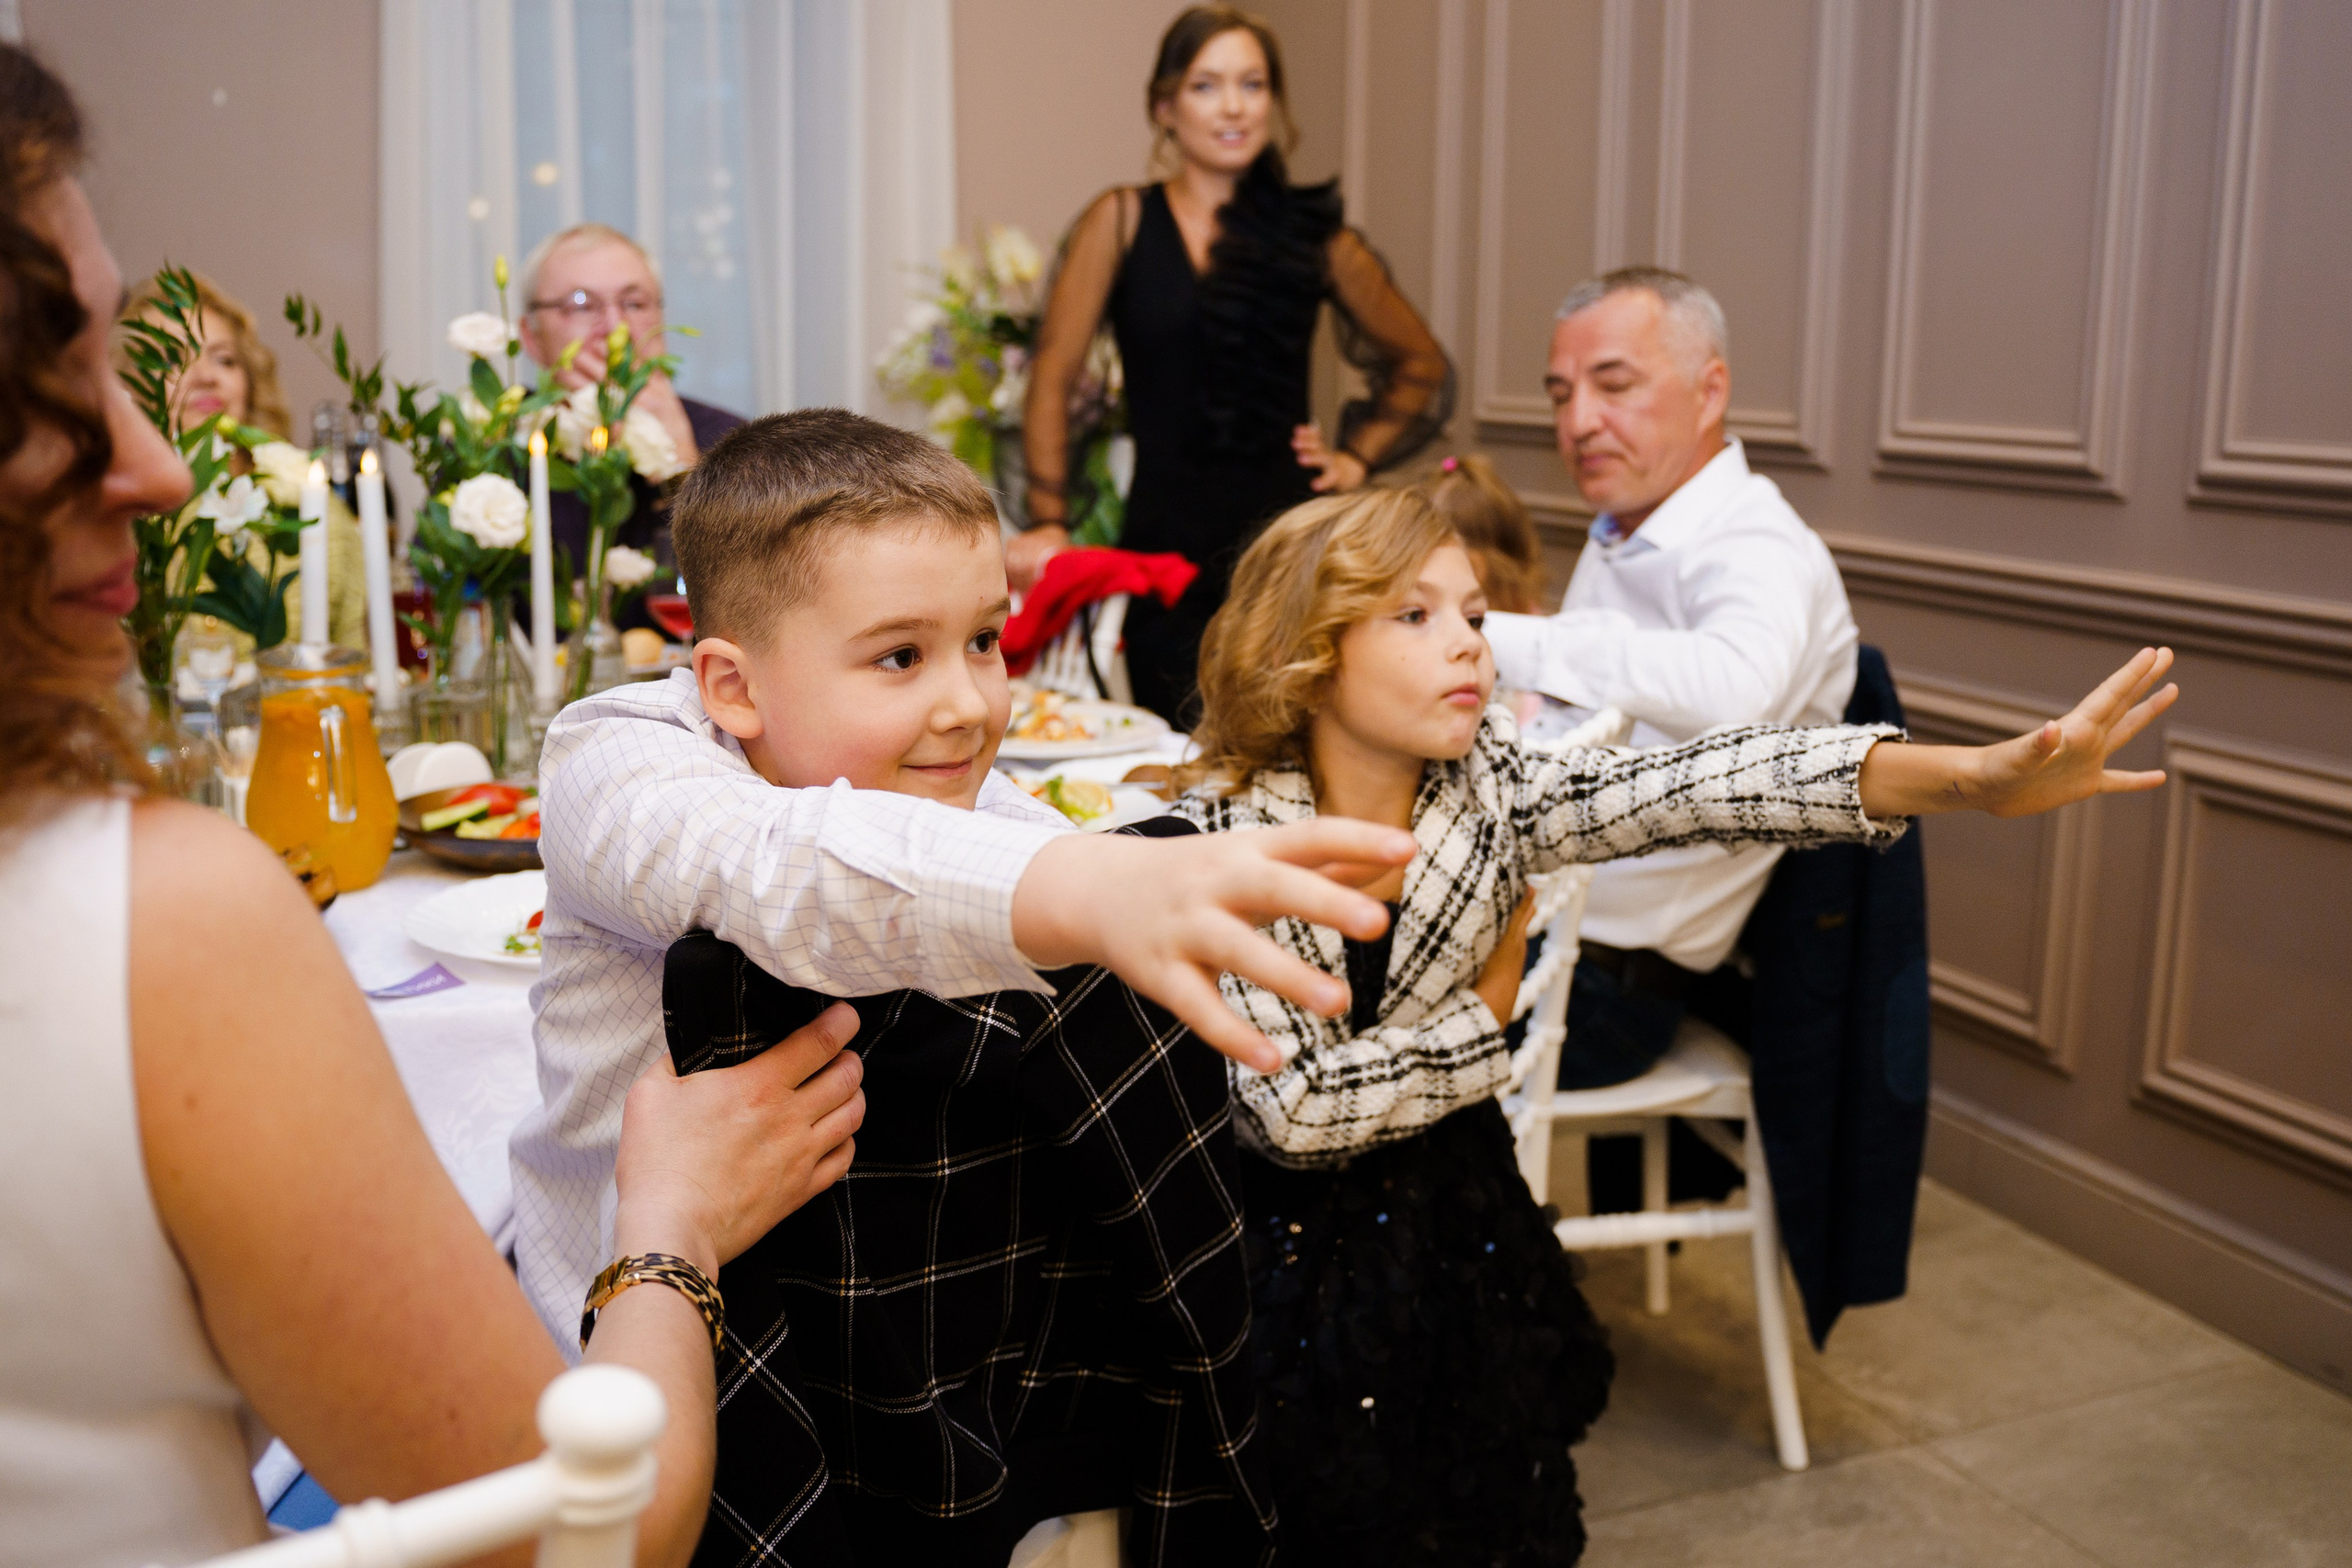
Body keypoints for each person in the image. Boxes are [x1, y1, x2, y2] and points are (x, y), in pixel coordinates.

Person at [0, 42, 867, 1568]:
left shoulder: (716, 438)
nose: (149, 463)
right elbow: (574, 1532)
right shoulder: (156, 919)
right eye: (57, 387)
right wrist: (660, 1230)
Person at [1169, 485, 2177, 1566]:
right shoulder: (1227, 834)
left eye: (1471, 613)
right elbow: (1295, 1112)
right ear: (1309, 651)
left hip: (1450, 1219)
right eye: (1414, 617)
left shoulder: (1493, 789)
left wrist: (1972, 779)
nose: (1467, 643)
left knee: (1475, 1510)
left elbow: (1711, 780)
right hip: (1264, 1256)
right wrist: (1483, 1025)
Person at [629, 409, 1296, 1562]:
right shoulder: (628, 763)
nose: (970, 704)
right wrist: (1080, 888)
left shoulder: (986, 805)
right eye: (901, 656)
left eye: (984, 642)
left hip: (962, 1379)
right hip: (648, 1368)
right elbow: (788, 874)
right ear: (731, 689)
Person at [1480, 265, 1864, 1088]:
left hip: (1605, 982)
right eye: (1560, 395)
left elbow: (1735, 691)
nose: (1579, 421)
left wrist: (1498, 638)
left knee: (1299, 1041)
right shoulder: (1624, 528)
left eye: (1613, 385)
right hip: (1530, 916)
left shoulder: (1755, 542)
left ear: (1709, 388)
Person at [1015, 4, 1453, 726]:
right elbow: (1053, 378)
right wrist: (1049, 519)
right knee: (1177, 744)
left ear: (1272, 103)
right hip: (1164, 550)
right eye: (1206, 85)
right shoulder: (1121, 220)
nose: (1233, 106)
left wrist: (1353, 458)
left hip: (1291, 546)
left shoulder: (1314, 237)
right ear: (1164, 107)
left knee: (1287, 741)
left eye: (1252, 85)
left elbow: (1420, 363)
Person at [129, 267, 369, 651]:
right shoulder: (120, 523)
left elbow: (356, 665)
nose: (205, 376)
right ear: (129, 388)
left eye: (224, 360)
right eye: (174, 359)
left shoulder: (310, 509)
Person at [516, 221, 742, 621]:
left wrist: (678, 456)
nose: (615, 328)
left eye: (634, 304)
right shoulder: (490, 441)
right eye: (582, 304)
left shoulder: (731, 440)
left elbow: (757, 606)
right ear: (531, 336)